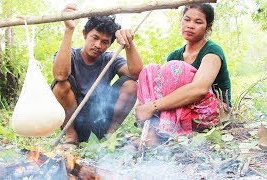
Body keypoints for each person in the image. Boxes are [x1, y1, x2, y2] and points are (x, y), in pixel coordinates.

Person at [135, 3, 231, 147]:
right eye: (187, 20)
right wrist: (143, 106)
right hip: (183, 107)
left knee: (176, 68)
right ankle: (154, 130)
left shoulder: (212, 51)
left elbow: (199, 89)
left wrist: (152, 106)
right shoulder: (175, 55)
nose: (190, 25)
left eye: (198, 22)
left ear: (208, 27)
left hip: (210, 111)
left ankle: (166, 133)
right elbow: (160, 89)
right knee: (150, 70)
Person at [52, 4, 143, 146]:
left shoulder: (110, 59)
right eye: (95, 38)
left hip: (101, 119)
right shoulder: (70, 55)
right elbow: (60, 74)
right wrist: (69, 30)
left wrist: (129, 44)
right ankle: (71, 137)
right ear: (84, 34)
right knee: (61, 85)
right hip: (75, 119)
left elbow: (136, 73)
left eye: (105, 42)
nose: (98, 45)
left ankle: (110, 135)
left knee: (131, 84)